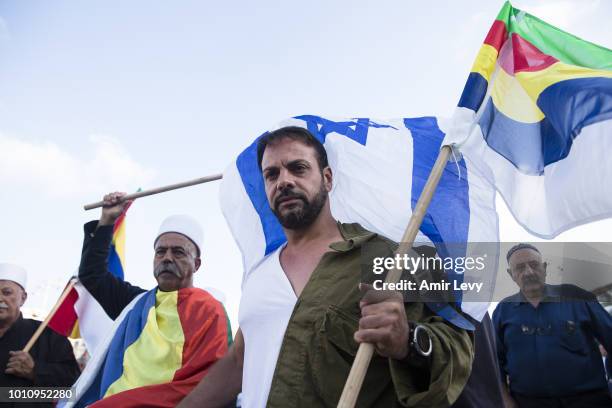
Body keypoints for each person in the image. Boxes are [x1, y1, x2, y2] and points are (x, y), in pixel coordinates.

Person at [180, 126, 473, 407]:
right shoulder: (259, 273)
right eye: (272, 174)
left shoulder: (391, 257)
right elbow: (239, 361)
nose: (283, 181)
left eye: (298, 168)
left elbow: (459, 350)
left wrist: (408, 341)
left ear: (328, 178)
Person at [73, 202, 230, 406]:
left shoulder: (208, 310)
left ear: (196, 264)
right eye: (160, 252)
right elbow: (92, 275)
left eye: (178, 252)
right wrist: (107, 221)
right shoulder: (135, 304)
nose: (167, 258)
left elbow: (212, 381)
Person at [493, 243, 612, 407]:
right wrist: (506, 401)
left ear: (545, 267)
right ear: (511, 274)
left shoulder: (576, 297)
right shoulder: (503, 311)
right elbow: (495, 363)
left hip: (589, 401)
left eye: (534, 265)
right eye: (520, 268)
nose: (528, 272)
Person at [0, 263, 80, 408]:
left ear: (23, 298)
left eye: (7, 293)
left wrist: (35, 371)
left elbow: (72, 389)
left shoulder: (48, 336)